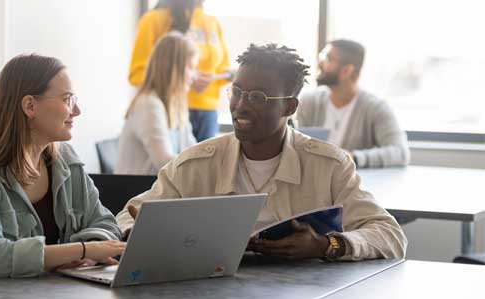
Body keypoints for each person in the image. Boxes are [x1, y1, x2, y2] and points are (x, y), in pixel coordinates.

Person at [117, 44, 407, 261]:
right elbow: (125, 219)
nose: (241, 105)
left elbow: (391, 236)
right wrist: (140, 233)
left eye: (257, 97)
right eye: (237, 92)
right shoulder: (195, 164)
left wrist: (326, 245)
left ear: (289, 108)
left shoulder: (329, 166)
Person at [0, 54, 125, 291]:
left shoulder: (65, 160)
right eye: (67, 99)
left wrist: (85, 254)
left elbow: (105, 221)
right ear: (30, 106)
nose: (77, 110)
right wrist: (81, 250)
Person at [128, 0, 232, 142]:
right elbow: (137, 74)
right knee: (174, 162)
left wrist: (222, 77)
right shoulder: (153, 20)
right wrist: (183, 80)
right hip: (170, 108)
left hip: (209, 112)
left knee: (205, 163)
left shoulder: (213, 22)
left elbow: (223, 69)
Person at [297, 39, 410, 168]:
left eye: (328, 58)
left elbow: (400, 153)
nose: (321, 63)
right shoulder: (309, 102)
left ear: (347, 71)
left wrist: (353, 158)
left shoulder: (375, 107)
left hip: (354, 184)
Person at [116, 32, 198, 175]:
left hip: (157, 192)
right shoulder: (148, 104)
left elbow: (193, 151)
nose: (194, 75)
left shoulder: (176, 107)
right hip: (136, 194)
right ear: (172, 68)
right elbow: (165, 162)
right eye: (191, 67)